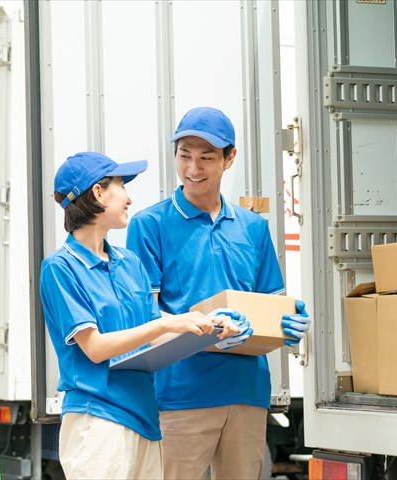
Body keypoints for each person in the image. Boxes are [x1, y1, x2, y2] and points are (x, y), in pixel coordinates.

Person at [126, 107, 312, 480]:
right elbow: (143, 314)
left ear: (230, 158)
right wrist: (205, 328)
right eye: (185, 156)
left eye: (206, 158)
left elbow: (267, 308)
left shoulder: (253, 228)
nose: (193, 168)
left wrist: (285, 325)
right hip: (180, 395)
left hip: (246, 392)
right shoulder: (150, 225)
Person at [39, 151, 243, 480]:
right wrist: (166, 322)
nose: (129, 198)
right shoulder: (61, 269)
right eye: (122, 185)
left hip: (146, 419)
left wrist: (205, 327)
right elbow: (95, 347)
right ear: (98, 192)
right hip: (99, 420)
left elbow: (155, 333)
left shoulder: (128, 263)